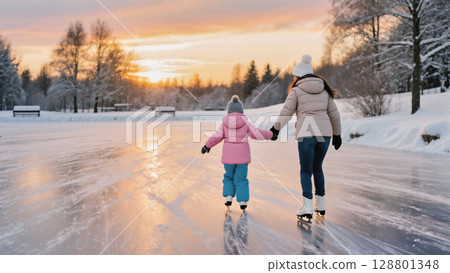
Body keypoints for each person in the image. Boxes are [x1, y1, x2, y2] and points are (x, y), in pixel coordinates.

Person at [270, 54, 342, 220]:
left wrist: (275, 129)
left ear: (299, 76)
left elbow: (286, 112)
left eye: (295, 76)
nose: (294, 78)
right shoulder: (324, 89)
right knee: (318, 168)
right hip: (324, 135)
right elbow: (335, 115)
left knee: (306, 170)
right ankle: (321, 205)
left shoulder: (296, 90)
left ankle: (308, 207)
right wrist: (337, 134)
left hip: (306, 135)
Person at [201, 95, 273, 210]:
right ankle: (243, 201)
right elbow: (257, 134)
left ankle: (228, 197)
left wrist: (207, 145)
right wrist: (271, 134)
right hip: (242, 158)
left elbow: (217, 137)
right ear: (241, 111)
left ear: (228, 111)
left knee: (228, 177)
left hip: (228, 158)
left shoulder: (224, 123)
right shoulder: (246, 122)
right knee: (241, 179)